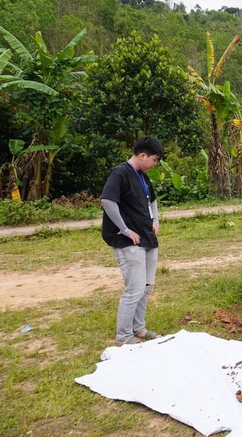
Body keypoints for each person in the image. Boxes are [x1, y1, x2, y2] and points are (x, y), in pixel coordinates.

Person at [101, 136, 165, 346]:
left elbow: (152, 201)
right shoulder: (120, 173)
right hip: (130, 242)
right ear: (143, 155)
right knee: (134, 288)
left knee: (146, 287)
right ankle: (123, 335)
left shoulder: (143, 176)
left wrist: (155, 219)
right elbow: (107, 201)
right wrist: (125, 229)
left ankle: (139, 328)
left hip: (147, 238)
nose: (155, 164)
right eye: (154, 160)